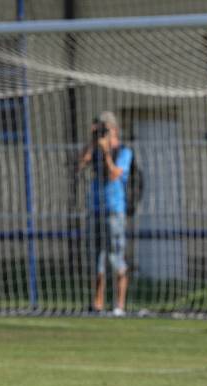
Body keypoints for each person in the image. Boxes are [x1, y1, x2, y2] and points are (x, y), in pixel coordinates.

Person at [77, 111, 133, 316]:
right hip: (96, 209)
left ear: (114, 130)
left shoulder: (124, 152)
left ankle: (119, 305)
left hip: (114, 211)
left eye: (105, 129)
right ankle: (97, 304)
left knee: (115, 255)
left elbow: (114, 174)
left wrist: (107, 153)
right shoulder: (95, 150)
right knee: (96, 257)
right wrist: (93, 144)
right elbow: (80, 164)